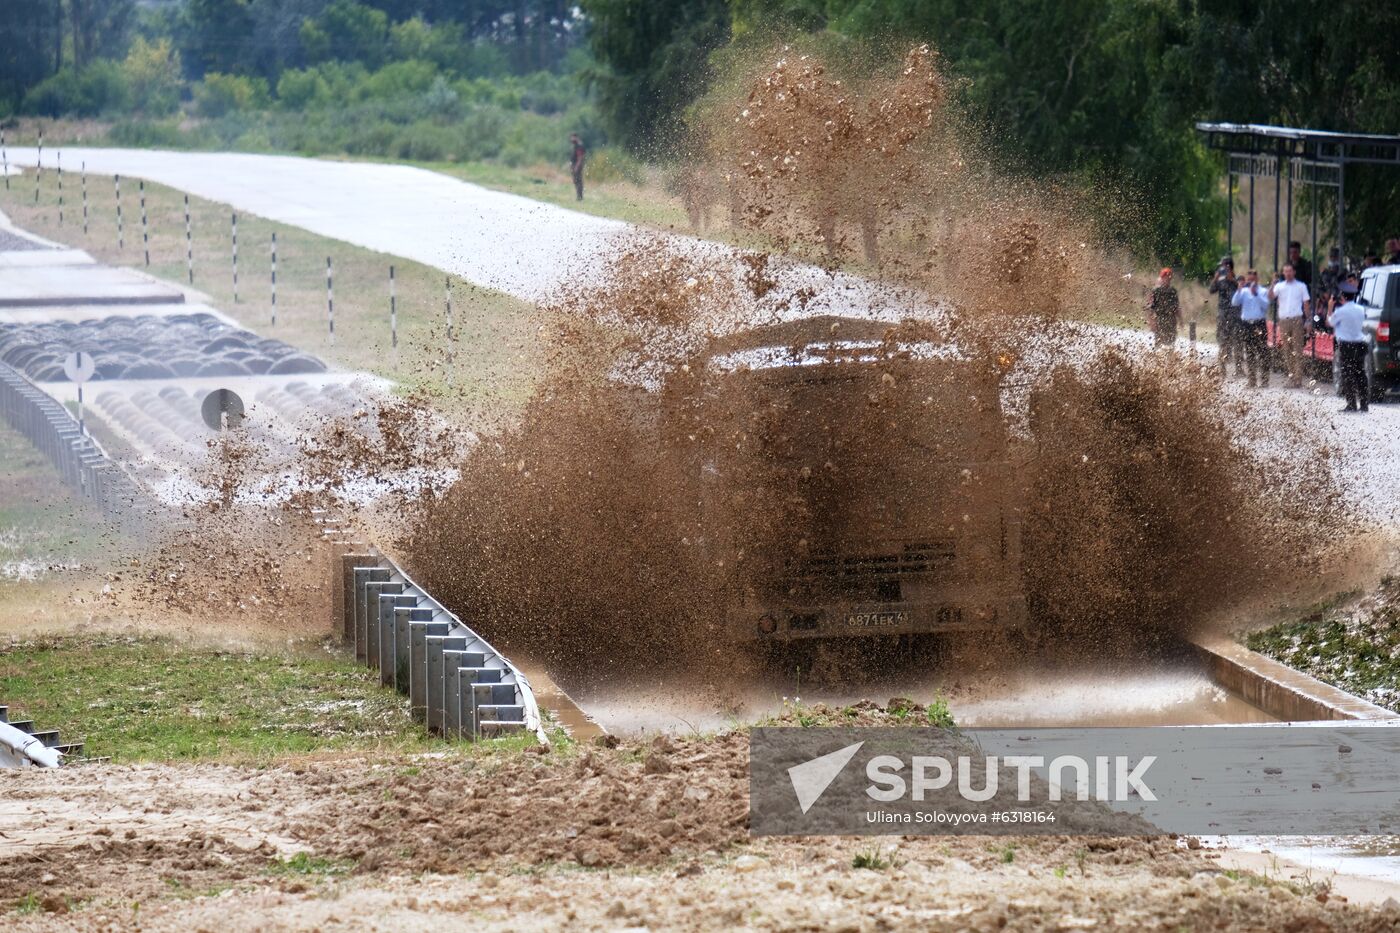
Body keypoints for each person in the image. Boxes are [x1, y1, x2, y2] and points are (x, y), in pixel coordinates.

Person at [1329, 281, 1369, 412]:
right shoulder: (1361, 309)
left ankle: (1351, 403)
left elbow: (1330, 322)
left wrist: (1330, 307)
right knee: (1361, 373)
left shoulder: (1341, 311)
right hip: (1360, 344)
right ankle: (1364, 404)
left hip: (1346, 345)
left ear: (1342, 297)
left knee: (1347, 374)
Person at [1269, 263, 1311, 387]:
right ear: (1283, 273)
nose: (1287, 273)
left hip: (1297, 319)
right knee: (1286, 350)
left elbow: (1306, 304)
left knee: (1297, 349)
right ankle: (1291, 376)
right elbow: (1271, 296)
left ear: (1294, 272)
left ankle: (1298, 379)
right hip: (1284, 320)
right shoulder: (1280, 286)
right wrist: (1272, 284)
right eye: (1285, 271)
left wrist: (1308, 320)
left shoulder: (1301, 286)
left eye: (1290, 271)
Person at [1232, 268, 1271, 387]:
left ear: (1257, 279)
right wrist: (1239, 290)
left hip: (1259, 323)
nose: (1251, 281)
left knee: (1263, 351)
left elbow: (1266, 305)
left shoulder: (1263, 291)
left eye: (1253, 278)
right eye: (1250, 279)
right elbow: (1234, 302)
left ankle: (1264, 380)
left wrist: (1256, 294)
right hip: (1247, 324)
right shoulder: (1243, 292)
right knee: (1249, 352)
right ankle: (1252, 380)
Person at [1208, 256, 1241, 376]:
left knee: (1237, 341)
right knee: (1223, 341)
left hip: (1234, 314)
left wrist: (1233, 280)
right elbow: (1211, 290)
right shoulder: (1220, 279)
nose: (1221, 268)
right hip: (1223, 313)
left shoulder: (1236, 279)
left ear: (1228, 266)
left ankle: (1239, 370)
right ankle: (1222, 370)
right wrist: (1215, 279)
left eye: (1223, 265)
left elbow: (1242, 290)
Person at [1146, 267, 1180, 348]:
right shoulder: (1156, 291)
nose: (1168, 279)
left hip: (1171, 320)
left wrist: (1180, 320)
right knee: (1158, 342)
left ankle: (1171, 359)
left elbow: (1177, 306)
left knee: (1171, 343)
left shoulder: (1173, 291)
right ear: (1162, 278)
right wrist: (1151, 322)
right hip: (1159, 319)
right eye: (1166, 277)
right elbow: (1151, 307)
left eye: (1169, 278)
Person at [568, 132, 586, 201]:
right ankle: (579, 196)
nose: (571, 139)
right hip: (574, 165)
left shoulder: (579, 146)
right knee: (576, 181)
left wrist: (576, 167)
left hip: (577, 165)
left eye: (572, 137)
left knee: (578, 181)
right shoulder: (575, 145)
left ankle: (580, 197)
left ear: (576, 137)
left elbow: (580, 157)